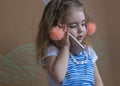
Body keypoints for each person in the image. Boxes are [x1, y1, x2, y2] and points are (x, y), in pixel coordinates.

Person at [36, 0, 104, 86]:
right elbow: (58, 76)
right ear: (58, 29)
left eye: (83, 24)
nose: (80, 30)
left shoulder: (88, 51)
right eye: (73, 26)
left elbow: (97, 80)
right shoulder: (52, 51)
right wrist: (65, 47)